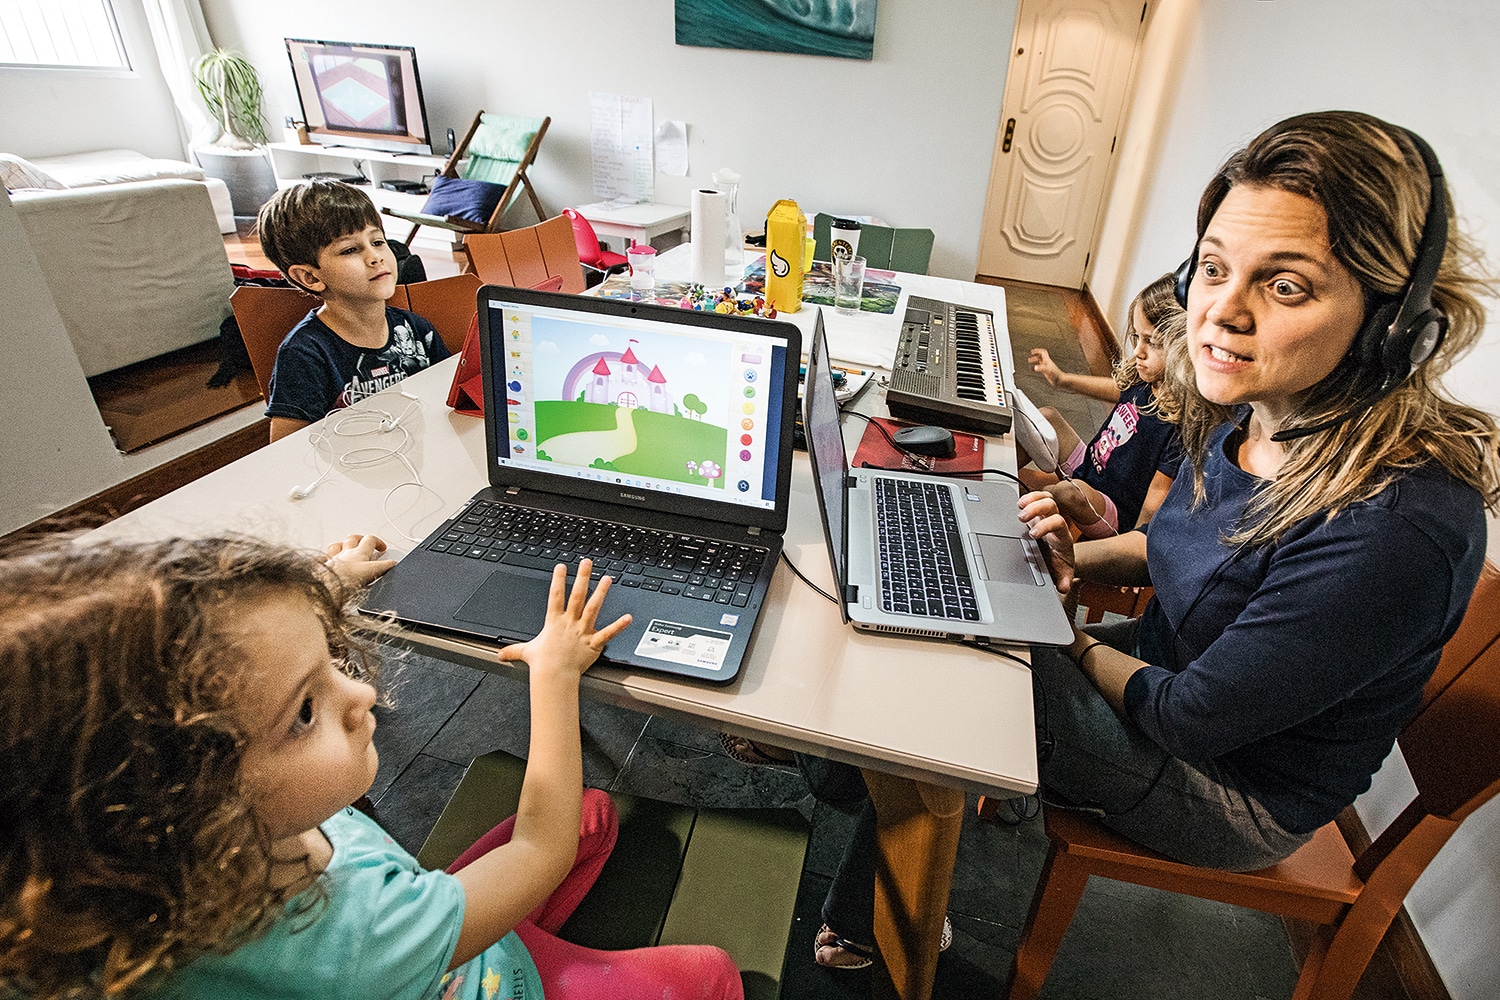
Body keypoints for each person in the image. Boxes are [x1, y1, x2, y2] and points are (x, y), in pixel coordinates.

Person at [1019, 110, 1498, 872]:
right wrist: (1071, 551)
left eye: (1284, 284)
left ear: (1394, 325)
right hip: (1158, 671)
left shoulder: (1398, 526)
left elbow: (1188, 718)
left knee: (962, 670)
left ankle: (872, 915)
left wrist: (1064, 638)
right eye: (1213, 269)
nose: (1223, 313)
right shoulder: (1252, 409)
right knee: (967, 636)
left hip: (1231, 790)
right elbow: (1171, 548)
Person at [0, 533, 746, 1000]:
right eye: (303, 711)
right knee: (709, 969)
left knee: (590, 812)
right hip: (461, 972)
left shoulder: (139, 853)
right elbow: (537, 850)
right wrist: (554, 674)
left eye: (327, 658)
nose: (359, 694)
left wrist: (326, 581)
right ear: (182, 802)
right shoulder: (350, 942)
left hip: (407, 916)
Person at [256, 180, 450, 442]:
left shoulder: (415, 329)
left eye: (378, 241)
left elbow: (449, 400)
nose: (375, 257)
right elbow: (285, 452)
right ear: (309, 277)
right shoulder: (304, 354)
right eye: (350, 250)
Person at [1021, 272, 1188, 532]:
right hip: (1088, 470)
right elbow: (1118, 390)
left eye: (1151, 343)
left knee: (1068, 493)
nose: (1138, 352)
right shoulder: (1146, 378)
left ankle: (1023, 515)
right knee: (1046, 417)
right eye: (1137, 337)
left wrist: (1130, 550)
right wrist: (1062, 379)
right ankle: (989, 473)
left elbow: (1154, 503)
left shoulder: (1179, 422)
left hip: (1112, 512)